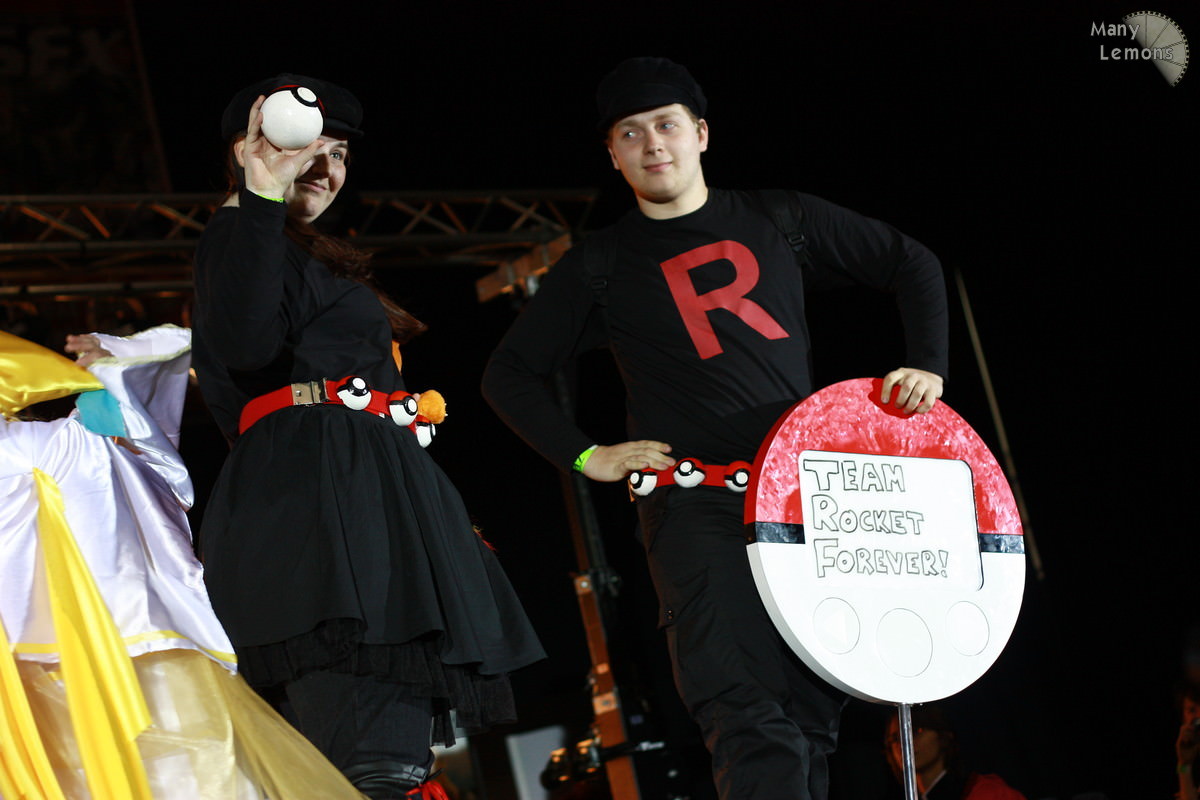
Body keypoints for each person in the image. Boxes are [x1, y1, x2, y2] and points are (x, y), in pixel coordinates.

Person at [482, 57, 948, 800]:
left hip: (803, 502)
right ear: (612, 155)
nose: (651, 143)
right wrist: (586, 454)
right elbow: (508, 372)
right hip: (694, 506)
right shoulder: (601, 262)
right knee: (743, 710)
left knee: (810, 719)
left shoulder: (779, 217)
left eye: (666, 125)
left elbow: (910, 262)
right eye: (629, 133)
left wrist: (928, 365)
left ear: (700, 133)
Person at [191, 73, 544, 799]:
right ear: (247, 150)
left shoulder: (292, 251)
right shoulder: (238, 232)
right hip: (325, 518)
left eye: (341, 155)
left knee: (368, 764)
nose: (325, 168)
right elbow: (244, 343)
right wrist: (261, 193)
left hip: (350, 503)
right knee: (373, 762)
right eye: (306, 147)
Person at [1, 327, 365, 799]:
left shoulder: (52, 444)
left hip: (37, 675)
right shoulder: (61, 443)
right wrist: (114, 358)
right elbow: (175, 353)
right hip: (135, 645)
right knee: (191, 775)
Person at [882, 705, 1026, 800]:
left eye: (916, 731)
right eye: (895, 739)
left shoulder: (989, 793)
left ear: (943, 735)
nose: (904, 743)